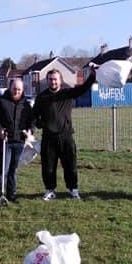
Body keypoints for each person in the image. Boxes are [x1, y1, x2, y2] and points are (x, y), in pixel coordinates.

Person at [31, 66, 97, 200]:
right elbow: (34, 116)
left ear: (60, 80)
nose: (53, 82)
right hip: (48, 138)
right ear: (47, 81)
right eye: (50, 79)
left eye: (55, 79)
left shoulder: (67, 93)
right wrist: (41, 124)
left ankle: (73, 189)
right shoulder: (41, 97)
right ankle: (50, 190)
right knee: (48, 166)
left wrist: (93, 76)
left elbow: (83, 88)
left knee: (70, 165)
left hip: (66, 136)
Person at [0, 77, 35, 203]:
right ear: (10, 88)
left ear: (22, 90)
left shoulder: (26, 105)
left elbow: (32, 121)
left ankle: (12, 194)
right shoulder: (0, 101)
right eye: (14, 89)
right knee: (3, 169)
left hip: (19, 141)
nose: (16, 91)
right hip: (5, 141)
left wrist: (30, 130)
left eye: (19, 89)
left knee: (13, 169)